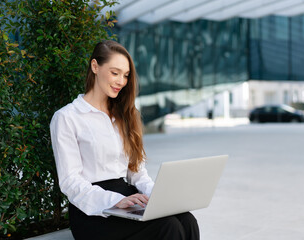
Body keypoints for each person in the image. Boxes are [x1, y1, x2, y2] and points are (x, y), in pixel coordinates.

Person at [50, 40, 200, 240]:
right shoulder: (67, 117)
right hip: (93, 211)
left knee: (187, 220)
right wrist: (116, 200)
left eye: (126, 75)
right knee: (167, 227)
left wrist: (161, 196)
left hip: (128, 197)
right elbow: (70, 182)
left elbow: (137, 173)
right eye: (115, 73)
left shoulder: (125, 116)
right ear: (95, 67)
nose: (121, 81)